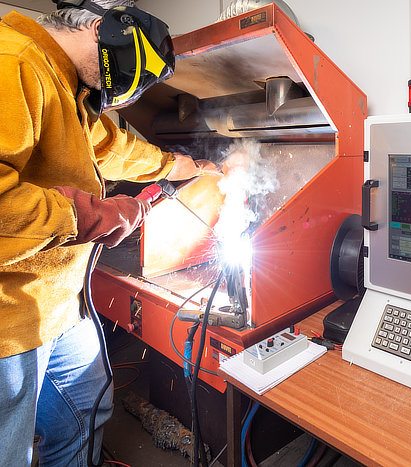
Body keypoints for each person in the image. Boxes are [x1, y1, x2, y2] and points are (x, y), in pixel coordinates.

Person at [0, 1, 218, 465]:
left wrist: (184, 167)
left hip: (60, 304)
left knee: (86, 408)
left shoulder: (63, 83)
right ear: (102, 28)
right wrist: (92, 216)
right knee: (9, 450)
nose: (130, 92)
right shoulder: (13, 63)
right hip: (10, 319)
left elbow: (111, 147)